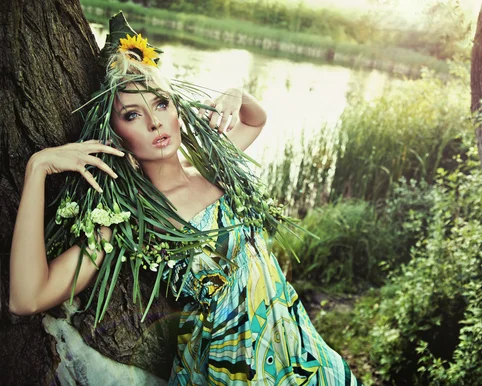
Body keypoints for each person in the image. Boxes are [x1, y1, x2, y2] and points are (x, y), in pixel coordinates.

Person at [9, 12, 362, 386]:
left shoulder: (214, 170)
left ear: (178, 111)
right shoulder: (129, 219)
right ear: (114, 134)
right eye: (133, 114)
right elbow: (26, 298)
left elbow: (256, 120)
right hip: (231, 373)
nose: (154, 122)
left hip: (303, 356)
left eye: (161, 104)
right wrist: (38, 167)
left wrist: (236, 93)